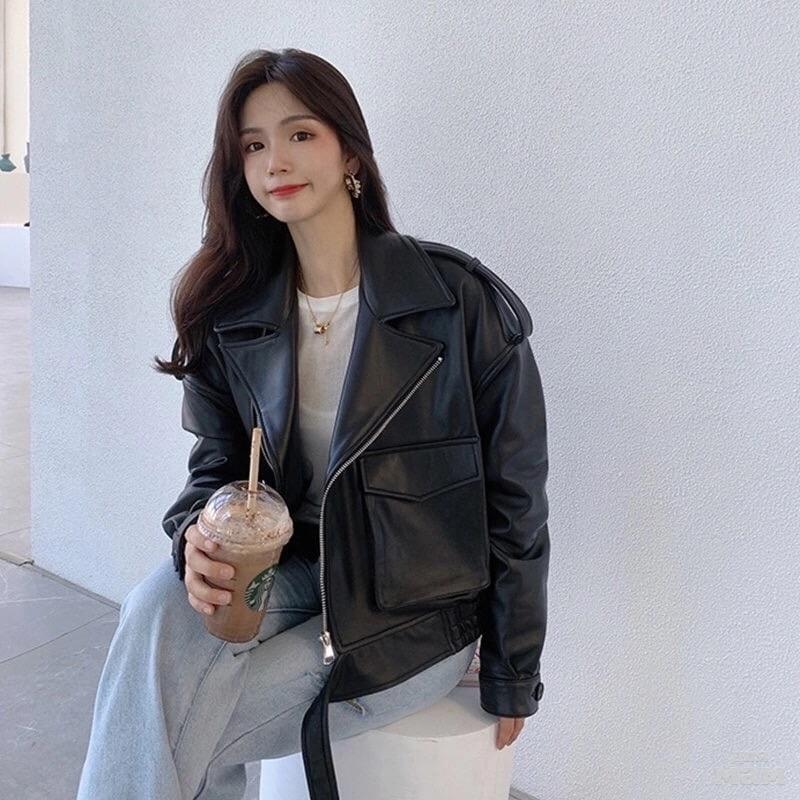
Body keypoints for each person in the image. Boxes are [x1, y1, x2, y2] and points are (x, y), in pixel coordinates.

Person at [77, 47, 549, 800]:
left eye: (300, 134)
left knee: (170, 722)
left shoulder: (457, 303)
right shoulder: (232, 313)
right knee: (153, 610)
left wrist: (514, 668)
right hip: (288, 570)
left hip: (411, 615)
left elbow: (517, 498)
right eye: (253, 145)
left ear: (349, 151)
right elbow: (216, 468)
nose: (275, 162)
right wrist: (196, 534)